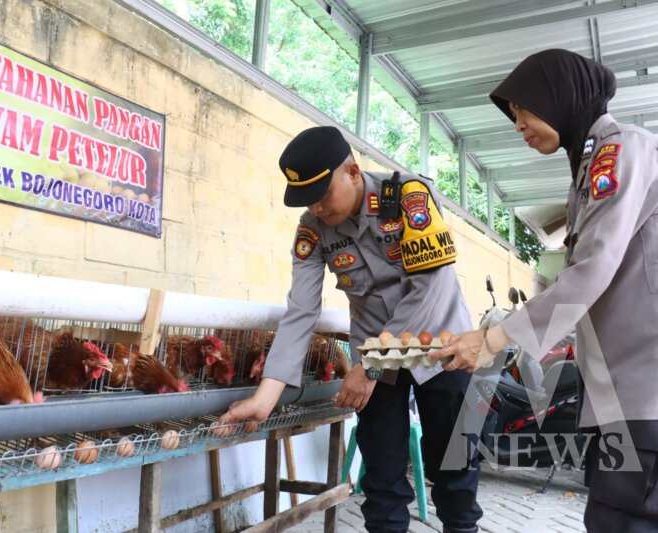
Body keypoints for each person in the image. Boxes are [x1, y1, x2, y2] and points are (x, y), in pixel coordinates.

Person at [430, 49, 658, 531]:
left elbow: (592, 269)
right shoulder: (588, 167)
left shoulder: (619, 152)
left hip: (645, 390)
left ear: (559, 98)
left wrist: (494, 338)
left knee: (621, 519)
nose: (518, 125)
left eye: (524, 109)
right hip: (624, 389)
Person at [218, 126, 483, 533]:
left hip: (440, 346)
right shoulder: (312, 229)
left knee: (454, 469)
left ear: (353, 172)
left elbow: (429, 288)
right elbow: (301, 311)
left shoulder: (409, 198)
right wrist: (265, 397)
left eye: (323, 195)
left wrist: (372, 365)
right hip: (377, 366)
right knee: (381, 479)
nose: (318, 210)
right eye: (309, 201)